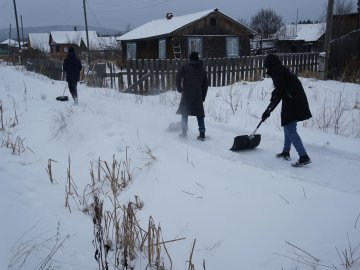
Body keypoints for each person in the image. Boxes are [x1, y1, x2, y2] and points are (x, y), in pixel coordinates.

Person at [261, 54, 312, 167]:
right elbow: (281, 89)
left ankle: (304, 156)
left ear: (270, 65)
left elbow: (279, 92)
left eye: (266, 66)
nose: (266, 69)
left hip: (293, 101)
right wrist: (272, 101)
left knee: (290, 129)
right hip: (292, 99)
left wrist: (268, 111)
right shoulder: (280, 70)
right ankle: (286, 151)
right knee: (287, 125)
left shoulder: (277, 72)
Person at [176, 51, 208, 140]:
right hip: (198, 95)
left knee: (184, 112)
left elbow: (178, 77)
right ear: (197, 59)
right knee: (200, 114)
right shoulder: (202, 70)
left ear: (190, 59)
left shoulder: (185, 67)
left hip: (187, 94)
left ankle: (184, 132)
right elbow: (205, 85)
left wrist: (179, 88)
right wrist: (203, 96)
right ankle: (202, 133)